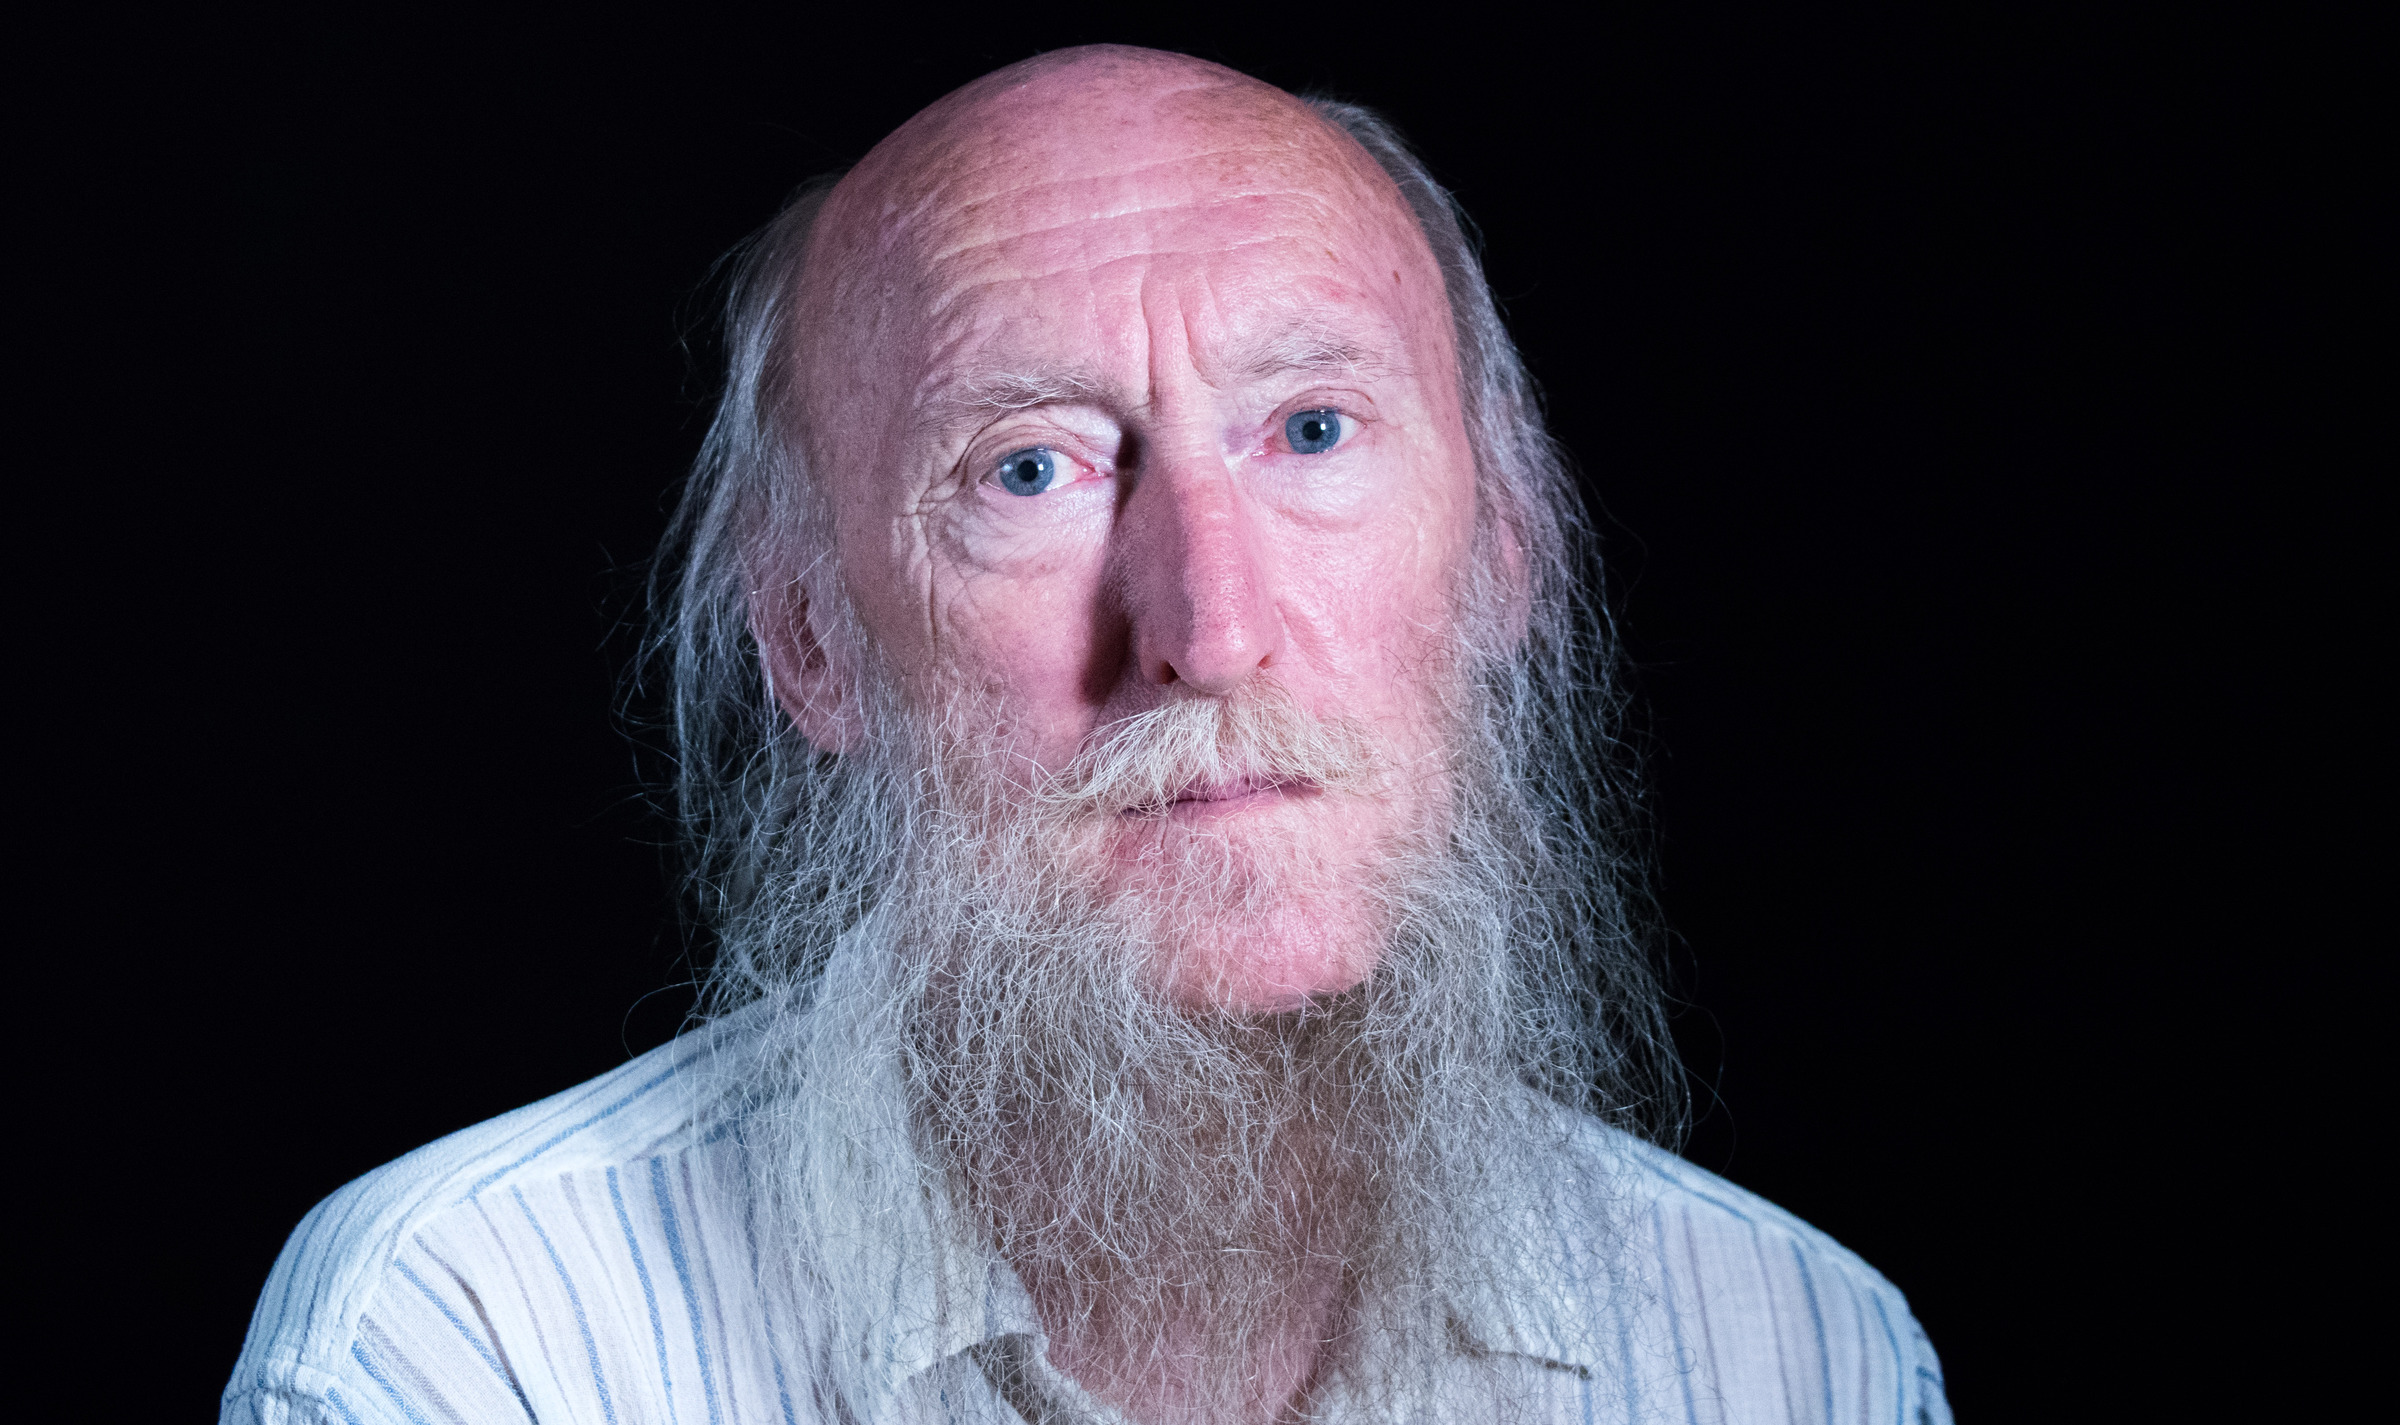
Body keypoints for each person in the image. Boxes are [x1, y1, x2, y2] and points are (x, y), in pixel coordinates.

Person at [225, 45, 1951, 1425]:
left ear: (1501, 555)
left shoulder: (1803, 1355)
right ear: (813, 642)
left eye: (1313, 429)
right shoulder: (478, 1342)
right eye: (1031, 468)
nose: (1207, 629)